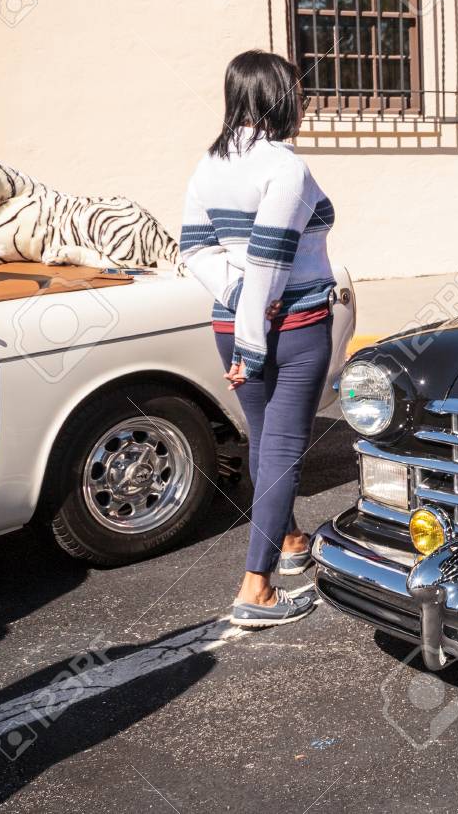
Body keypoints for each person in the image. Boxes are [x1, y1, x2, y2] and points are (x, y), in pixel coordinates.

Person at [180, 50, 336, 627]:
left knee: (265, 442)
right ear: (280, 95)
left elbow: (193, 248)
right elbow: (271, 261)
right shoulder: (283, 166)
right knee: (282, 450)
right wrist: (253, 338)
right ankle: (257, 589)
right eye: (297, 89)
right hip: (289, 328)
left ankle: (291, 539)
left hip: (231, 323)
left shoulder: (209, 165)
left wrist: (238, 297)